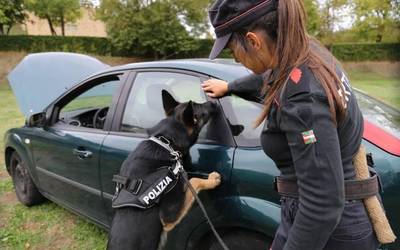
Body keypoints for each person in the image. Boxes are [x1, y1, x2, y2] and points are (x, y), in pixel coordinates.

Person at [203, 0, 380, 249]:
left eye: (233, 52)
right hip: (334, 216)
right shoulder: (309, 54)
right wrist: (230, 87)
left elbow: (322, 204)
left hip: (331, 232)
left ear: (254, 41)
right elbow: (270, 77)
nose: (237, 60)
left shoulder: (302, 100)